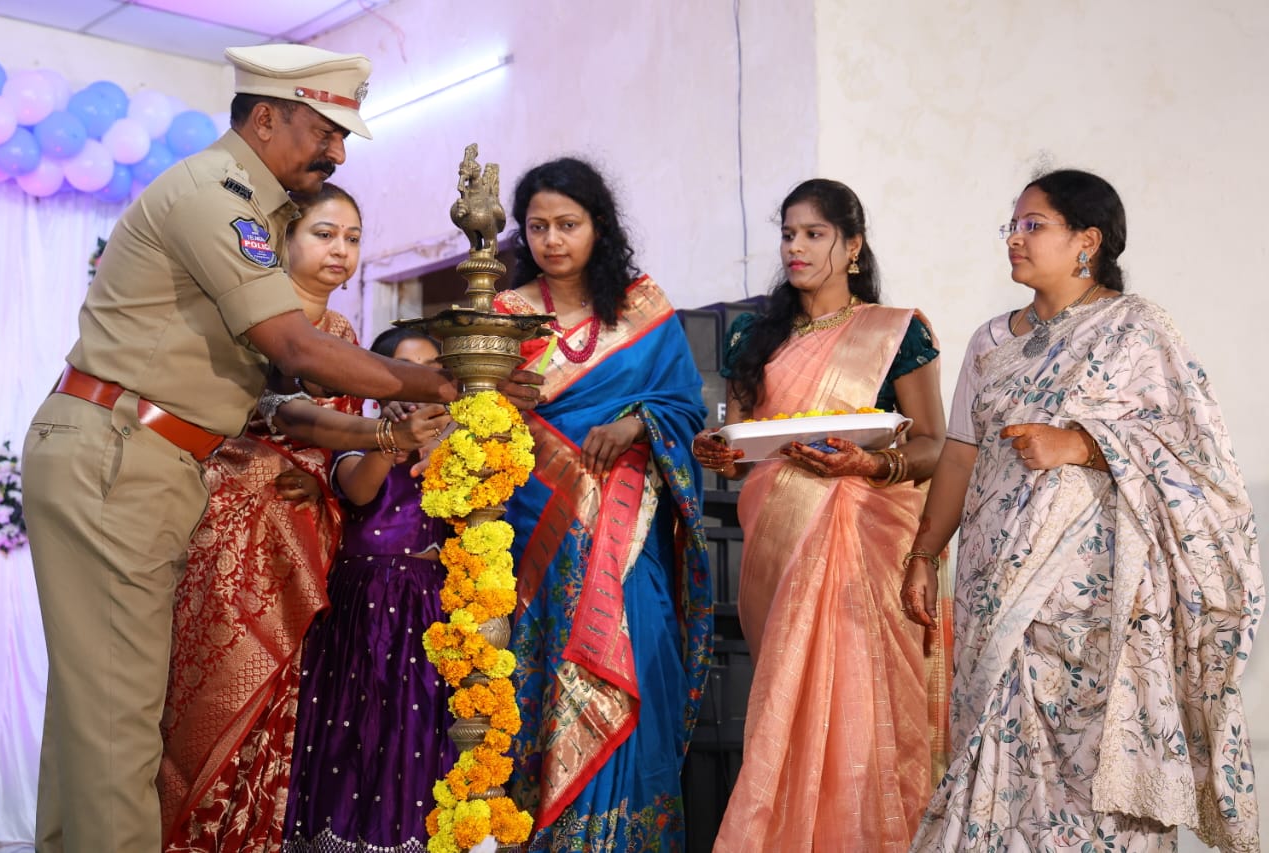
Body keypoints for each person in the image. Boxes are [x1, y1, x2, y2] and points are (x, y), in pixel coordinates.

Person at [20, 44, 539, 853]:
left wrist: (412, 412)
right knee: (120, 727)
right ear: (265, 118)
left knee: (93, 721)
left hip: (143, 454)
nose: (338, 154)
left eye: (343, 138)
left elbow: (290, 397)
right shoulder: (215, 196)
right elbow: (294, 350)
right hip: (123, 451)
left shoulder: (249, 207)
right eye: (325, 132)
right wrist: (449, 383)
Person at [903, 169, 1262, 852]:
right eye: (1012, 225)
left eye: (1033, 224)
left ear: (1086, 242)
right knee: (994, 756)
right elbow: (959, 456)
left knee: (1086, 776)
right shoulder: (989, 342)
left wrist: (1084, 445)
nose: (1015, 237)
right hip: (993, 584)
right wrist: (924, 553)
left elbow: (1200, 460)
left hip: (1092, 603)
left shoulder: (1137, 330)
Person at [157, 183, 451, 847]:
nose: (340, 250)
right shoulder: (253, 320)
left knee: (288, 711)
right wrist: (381, 435)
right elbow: (284, 414)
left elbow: (338, 460)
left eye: (352, 238)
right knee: (217, 701)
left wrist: (347, 461)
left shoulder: (343, 335)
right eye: (323, 233)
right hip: (235, 537)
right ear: (282, 239)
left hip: (308, 545)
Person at [692, 178, 948, 851]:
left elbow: (932, 445)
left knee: (863, 698)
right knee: (789, 693)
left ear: (853, 246)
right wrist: (718, 453)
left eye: (814, 234)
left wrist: (871, 465)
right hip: (779, 535)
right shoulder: (753, 334)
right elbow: (742, 444)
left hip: (868, 539)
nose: (796, 248)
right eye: (788, 234)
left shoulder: (897, 332)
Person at [490, 157, 712, 850]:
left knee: (639, 655)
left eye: (568, 224)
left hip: (627, 532)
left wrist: (639, 422)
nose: (552, 240)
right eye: (538, 227)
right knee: (538, 679)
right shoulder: (503, 316)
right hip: (536, 531)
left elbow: (686, 406)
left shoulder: (643, 307)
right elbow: (478, 422)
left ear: (598, 227)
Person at [283, 327, 456, 851]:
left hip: (432, 600)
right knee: (358, 720)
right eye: (404, 371)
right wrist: (390, 438)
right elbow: (360, 489)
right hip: (368, 599)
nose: (418, 384)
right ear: (375, 382)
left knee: (418, 720)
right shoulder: (357, 436)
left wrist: (443, 442)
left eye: (431, 373)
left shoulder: (458, 443)